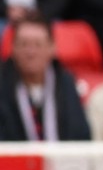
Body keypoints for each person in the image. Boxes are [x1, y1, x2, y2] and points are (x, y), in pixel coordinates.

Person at [0, 12, 91, 141]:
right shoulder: (3, 84)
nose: (31, 53)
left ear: (52, 48)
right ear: (13, 48)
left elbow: (80, 135)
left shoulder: (66, 83)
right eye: (24, 44)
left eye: (38, 45)